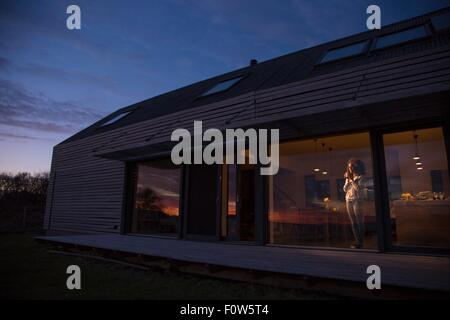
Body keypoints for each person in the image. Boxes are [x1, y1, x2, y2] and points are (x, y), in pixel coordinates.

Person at [343, 158, 367, 249]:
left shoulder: (362, 177)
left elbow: (358, 189)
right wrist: (347, 181)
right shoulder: (349, 178)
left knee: (360, 222)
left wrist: (351, 180)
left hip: (358, 201)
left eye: (353, 167)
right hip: (348, 200)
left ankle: (361, 242)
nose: (351, 169)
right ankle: (357, 242)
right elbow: (345, 189)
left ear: (357, 167)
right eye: (349, 167)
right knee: (353, 222)